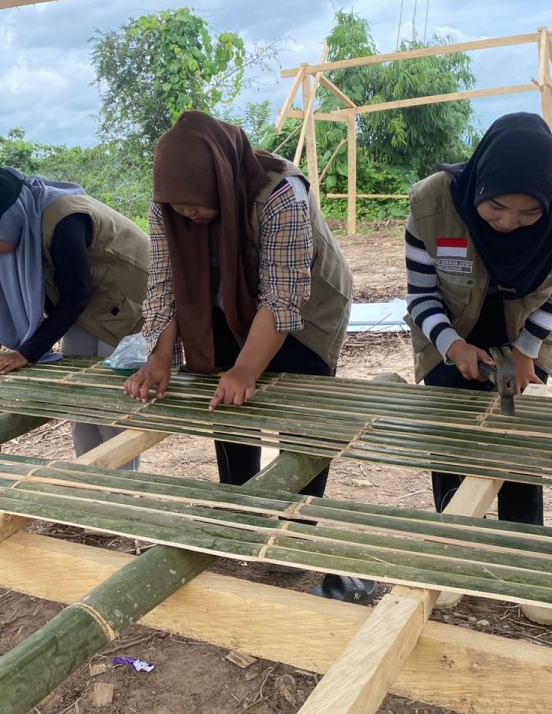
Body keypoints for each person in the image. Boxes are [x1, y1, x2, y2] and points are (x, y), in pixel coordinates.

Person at [122, 111, 370, 603]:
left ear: (222, 180)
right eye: (180, 209)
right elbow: (165, 283)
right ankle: (245, 514)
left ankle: (298, 528)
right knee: (231, 410)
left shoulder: (280, 194)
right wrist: (158, 357)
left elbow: (281, 299)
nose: (188, 216)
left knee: (302, 419)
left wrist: (245, 368)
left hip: (307, 309)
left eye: (199, 207)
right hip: (226, 304)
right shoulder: (167, 203)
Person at [404, 112, 552, 624]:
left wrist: (526, 349)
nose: (508, 222)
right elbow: (421, 294)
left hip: (524, 327)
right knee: (451, 439)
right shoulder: (431, 202)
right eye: (497, 206)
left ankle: (526, 567)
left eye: (529, 214)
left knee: (518, 447)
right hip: (447, 327)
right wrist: (453, 347)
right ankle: (456, 558)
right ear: (478, 179)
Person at [0, 166, 149, 469]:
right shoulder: (26, 221)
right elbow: (45, 286)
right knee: (78, 401)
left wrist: (27, 351)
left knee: (111, 405)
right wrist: (3, 323)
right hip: (88, 302)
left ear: (9, 216)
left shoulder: (62, 221)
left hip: (125, 300)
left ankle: (120, 490)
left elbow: (76, 294)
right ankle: (88, 481)